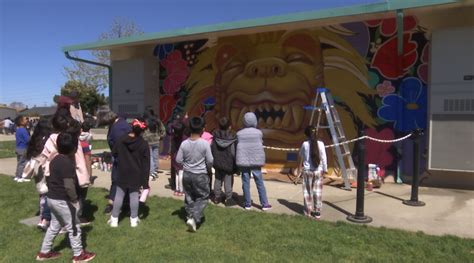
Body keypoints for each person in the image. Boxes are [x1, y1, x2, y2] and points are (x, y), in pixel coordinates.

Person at [36, 132, 96, 262]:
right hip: (63, 200)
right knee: (74, 227)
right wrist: (74, 199)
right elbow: (69, 186)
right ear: (74, 149)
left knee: (54, 226)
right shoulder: (67, 164)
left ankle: (44, 252)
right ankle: (78, 254)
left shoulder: (54, 159)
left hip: (51, 198)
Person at [108, 119, 150, 228]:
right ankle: (134, 219)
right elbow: (146, 164)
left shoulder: (121, 140)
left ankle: (114, 219)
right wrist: (145, 181)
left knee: (119, 195)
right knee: (134, 195)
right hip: (136, 173)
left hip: (122, 171)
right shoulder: (144, 144)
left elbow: (114, 152)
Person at [176, 117, 213, 232]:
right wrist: (208, 168)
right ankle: (194, 217)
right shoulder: (205, 144)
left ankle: (189, 216)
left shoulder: (184, 144)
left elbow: (178, 160)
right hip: (200, 175)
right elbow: (210, 160)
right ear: (203, 129)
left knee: (189, 196)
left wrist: (186, 164)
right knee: (203, 197)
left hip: (187, 174)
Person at [236, 112, 272, 211]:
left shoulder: (239, 134)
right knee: (259, 182)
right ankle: (264, 204)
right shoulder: (259, 133)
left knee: (245, 182)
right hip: (256, 161)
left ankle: (247, 203)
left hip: (244, 161)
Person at [22, 119, 53, 230]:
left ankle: (42, 216)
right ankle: (46, 218)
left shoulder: (35, 140)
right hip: (46, 169)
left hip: (36, 170)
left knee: (42, 193)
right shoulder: (48, 140)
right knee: (49, 193)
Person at [103, 111, 131, 214]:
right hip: (126, 156)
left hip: (121, 157)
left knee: (116, 180)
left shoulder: (116, 128)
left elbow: (117, 143)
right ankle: (122, 203)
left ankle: (115, 203)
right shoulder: (122, 124)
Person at [298, 126, 327, 220]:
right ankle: (317, 212)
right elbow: (324, 158)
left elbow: (301, 155)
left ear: (306, 134)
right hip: (318, 170)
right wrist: (325, 169)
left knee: (307, 192)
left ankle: (308, 211)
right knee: (317, 192)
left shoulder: (305, 144)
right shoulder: (321, 144)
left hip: (307, 171)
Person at [211, 117, 237, 205]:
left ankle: (217, 197)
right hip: (228, 162)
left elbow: (212, 148)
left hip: (217, 161)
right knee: (228, 180)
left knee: (218, 179)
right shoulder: (233, 138)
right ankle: (228, 198)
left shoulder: (215, 137)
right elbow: (233, 152)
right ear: (229, 126)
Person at [143, 113, 166, 180]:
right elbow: (163, 129)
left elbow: (143, 132)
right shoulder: (157, 121)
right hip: (156, 141)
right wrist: (160, 136)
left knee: (150, 157)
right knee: (155, 157)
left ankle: (152, 172)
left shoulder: (146, 122)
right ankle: (155, 170)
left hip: (148, 141)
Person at [14, 115, 30, 182]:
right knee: (23, 163)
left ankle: (17, 176)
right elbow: (27, 140)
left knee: (20, 163)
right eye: (25, 119)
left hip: (18, 148)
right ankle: (20, 177)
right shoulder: (23, 130)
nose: (27, 120)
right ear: (21, 122)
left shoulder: (18, 130)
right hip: (23, 148)